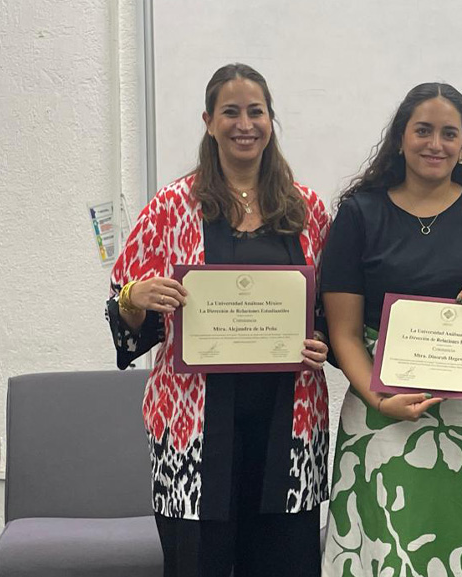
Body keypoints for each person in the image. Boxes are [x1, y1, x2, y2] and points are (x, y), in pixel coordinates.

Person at [106, 63, 331, 577]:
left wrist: (321, 340)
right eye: (230, 112)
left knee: (284, 563)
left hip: (288, 427)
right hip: (192, 428)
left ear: (270, 120)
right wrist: (136, 296)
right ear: (209, 121)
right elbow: (123, 308)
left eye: (256, 112)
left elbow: (327, 311)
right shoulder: (170, 207)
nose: (244, 124)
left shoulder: (308, 209)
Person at [320, 82, 462, 576]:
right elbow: (344, 332)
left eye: (450, 134)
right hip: (386, 414)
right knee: (391, 549)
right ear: (400, 138)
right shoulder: (360, 213)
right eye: (423, 131)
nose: (436, 144)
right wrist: (380, 399)